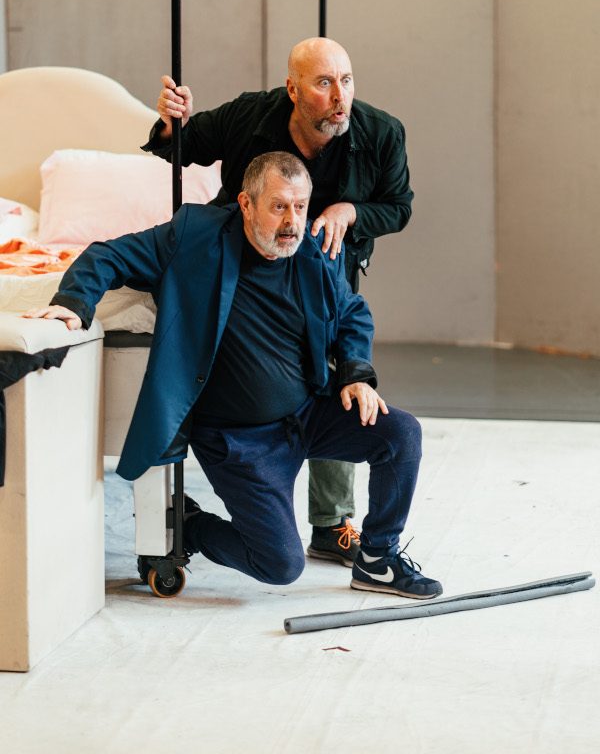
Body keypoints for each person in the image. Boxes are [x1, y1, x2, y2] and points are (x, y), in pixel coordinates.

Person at [25, 153, 441, 600]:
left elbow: (351, 313)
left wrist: (357, 374)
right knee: (280, 564)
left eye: (300, 207)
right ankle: (189, 526)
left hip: (307, 414)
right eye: (279, 206)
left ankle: (378, 560)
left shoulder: (311, 250)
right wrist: (73, 303)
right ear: (245, 203)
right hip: (239, 441)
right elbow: (109, 255)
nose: (292, 222)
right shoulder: (194, 237)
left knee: (401, 434)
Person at [144, 36, 414, 568]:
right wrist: (172, 125)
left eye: (347, 80)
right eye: (323, 83)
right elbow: (182, 147)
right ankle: (237, 484)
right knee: (265, 376)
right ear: (292, 90)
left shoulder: (381, 133)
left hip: (325, 268)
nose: (341, 96)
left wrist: (348, 212)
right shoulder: (250, 116)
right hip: (242, 266)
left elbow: (398, 207)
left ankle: (331, 522)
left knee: (340, 371)